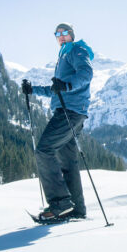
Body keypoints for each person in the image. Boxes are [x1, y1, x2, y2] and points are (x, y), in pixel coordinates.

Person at [21, 22, 94, 222]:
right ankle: (76, 209)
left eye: (64, 33)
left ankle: (60, 202)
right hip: (73, 111)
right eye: (57, 34)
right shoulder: (64, 56)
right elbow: (56, 89)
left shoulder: (76, 50)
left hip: (70, 111)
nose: (61, 36)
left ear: (72, 35)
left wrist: (68, 85)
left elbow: (86, 74)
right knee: (68, 160)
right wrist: (33, 89)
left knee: (44, 150)